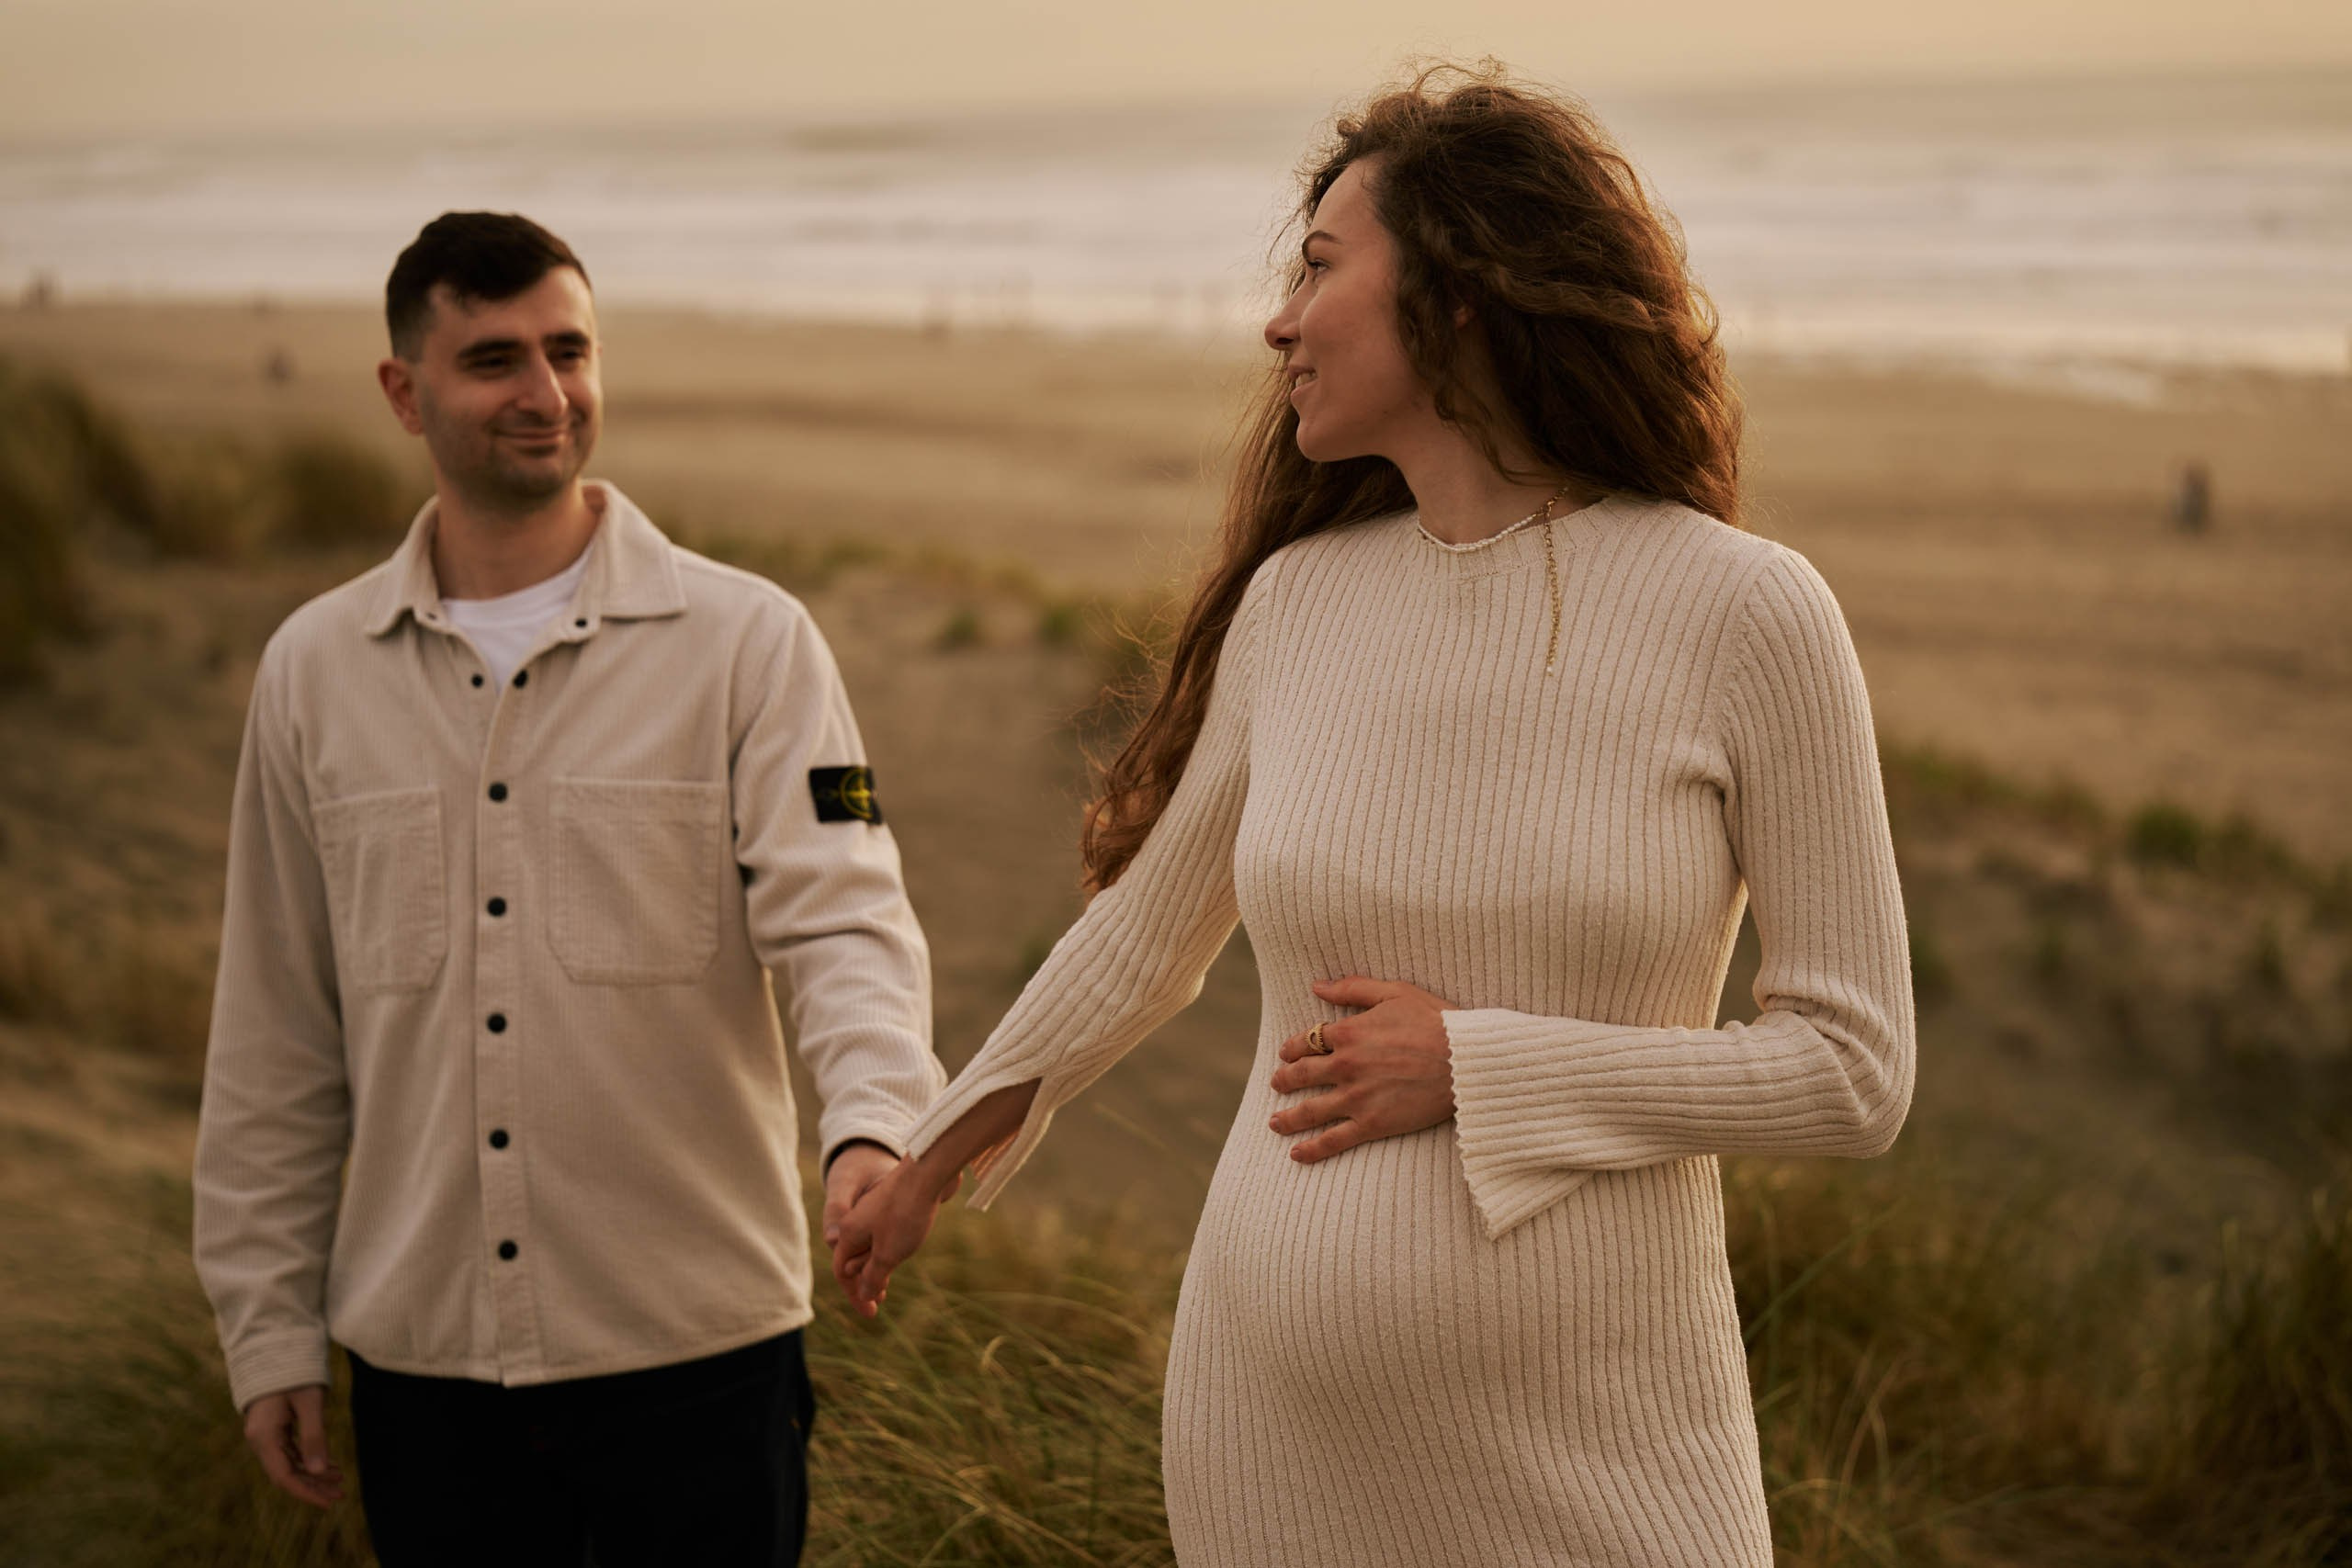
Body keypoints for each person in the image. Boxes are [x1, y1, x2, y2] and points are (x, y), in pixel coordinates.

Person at [831, 67, 1916, 1567]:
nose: (1280, 321)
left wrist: (1475, 1065)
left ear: (1458, 295)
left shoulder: (1747, 613)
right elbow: (1143, 941)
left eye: (1321, 269)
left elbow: (1853, 1072)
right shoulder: (1301, 602)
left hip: (1602, 1451)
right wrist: (930, 1154)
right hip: (1272, 1438)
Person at [192, 210, 944, 1567]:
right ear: (402, 391)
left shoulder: (751, 643)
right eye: (494, 361)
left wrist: (874, 1123)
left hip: (698, 1358)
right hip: (422, 1370)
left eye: (570, 350)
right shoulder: (312, 672)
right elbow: (274, 1031)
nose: (547, 395)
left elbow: (847, 918)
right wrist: (265, 1327)